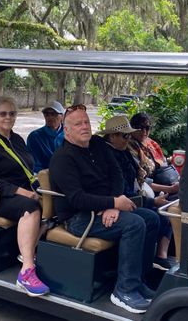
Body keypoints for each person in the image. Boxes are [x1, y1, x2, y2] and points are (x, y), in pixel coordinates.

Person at [50, 105, 159, 314]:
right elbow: (77, 199)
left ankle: (138, 281)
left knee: (151, 218)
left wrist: (115, 203)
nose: (84, 127)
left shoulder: (98, 144)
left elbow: (116, 174)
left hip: (105, 208)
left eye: (86, 122)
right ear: (67, 130)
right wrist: (112, 203)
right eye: (77, 124)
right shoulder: (62, 158)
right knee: (134, 224)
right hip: (78, 218)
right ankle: (123, 291)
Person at [0, 96, 49, 297]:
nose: (8, 117)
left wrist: (43, 190)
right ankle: (26, 272)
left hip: (14, 193)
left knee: (55, 206)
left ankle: (28, 251)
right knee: (30, 207)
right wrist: (20, 192)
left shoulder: (16, 139)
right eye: (3, 113)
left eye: (12, 113)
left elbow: (27, 172)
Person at [100, 115, 174, 271]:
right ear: (112, 136)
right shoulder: (108, 155)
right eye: (125, 135)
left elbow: (136, 178)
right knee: (152, 217)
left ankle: (156, 260)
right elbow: (121, 192)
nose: (128, 139)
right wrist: (151, 202)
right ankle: (140, 270)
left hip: (131, 196)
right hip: (116, 203)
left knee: (165, 213)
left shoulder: (123, 151)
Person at [129, 113, 180, 189]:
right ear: (132, 128)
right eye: (140, 127)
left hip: (166, 182)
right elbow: (140, 180)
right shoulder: (129, 147)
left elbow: (163, 164)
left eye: (147, 128)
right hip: (148, 189)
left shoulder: (151, 143)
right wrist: (170, 189)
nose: (144, 131)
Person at [26, 100, 65, 172]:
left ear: (62, 116)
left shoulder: (70, 135)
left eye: (54, 114)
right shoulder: (35, 137)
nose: (50, 117)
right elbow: (34, 165)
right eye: (46, 114)